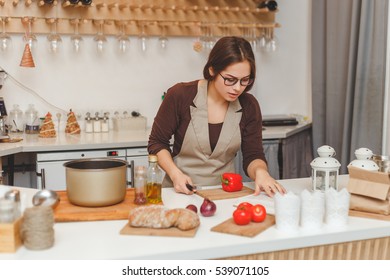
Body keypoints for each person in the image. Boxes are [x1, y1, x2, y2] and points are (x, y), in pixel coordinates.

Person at [148, 36, 286, 197]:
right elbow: (157, 143)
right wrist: (175, 174)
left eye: (245, 80)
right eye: (230, 79)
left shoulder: (249, 105)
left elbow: (252, 155)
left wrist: (261, 172)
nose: (237, 88)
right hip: (179, 191)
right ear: (212, 70)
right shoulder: (180, 95)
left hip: (226, 193)